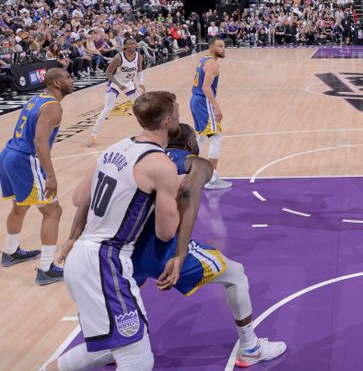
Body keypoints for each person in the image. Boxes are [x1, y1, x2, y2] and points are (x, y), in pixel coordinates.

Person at [50, 124, 286, 370]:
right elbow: (186, 194)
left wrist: (72, 236)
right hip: (162, 251)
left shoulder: (139, 157)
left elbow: (83, 200)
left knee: (119, 309)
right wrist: (181, 252)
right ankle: (250, 348)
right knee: (235, 274)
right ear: (190, 145)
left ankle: (115, 347)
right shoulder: (191, 162)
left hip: (125, 253)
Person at [55, 91, 183, 371]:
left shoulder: (115, 147)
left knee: (107, 350)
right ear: (167, 121)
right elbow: (164, 232)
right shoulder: (162, 166)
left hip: (83, 256)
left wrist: (72, 237)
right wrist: (179, 196)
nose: (179, 117)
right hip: (105, 260)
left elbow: (79, 198)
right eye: (177, 112)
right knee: (137, 360)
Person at [1, 68, 73, 285]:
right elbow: (40, 142)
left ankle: (11, 252)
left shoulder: (37, 99)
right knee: (53, 211)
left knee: (20, 206)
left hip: (8, 154)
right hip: (25, 159)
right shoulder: (53, 108)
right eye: (68, 77)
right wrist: (50, 175)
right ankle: (46, 269)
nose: (72, 79)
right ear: (57, 84)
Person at [87, 38, 145, 147]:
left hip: (129, 83)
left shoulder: (139, 56)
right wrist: (118, 84)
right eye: (130, 43)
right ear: (125, 46)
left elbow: (140, 71)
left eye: (134, 43)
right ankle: (93, 135)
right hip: (115, 83)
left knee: (140, 107)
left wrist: (141, 83)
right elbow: (108, 73)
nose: (133, 45)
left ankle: (148, 131)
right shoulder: (118, 57)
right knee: (108, 108)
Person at [190, 37, 230, 189]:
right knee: (216, 137)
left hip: (195, 99)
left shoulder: (204, 59)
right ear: (212, 48)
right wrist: (216, 107)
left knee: (201, 137)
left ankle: (188, 169)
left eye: (224, 46)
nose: (223, 49)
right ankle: (213, 178)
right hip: (203, 101)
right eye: (220, 46)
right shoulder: (213, 64)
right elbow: (206, 87)